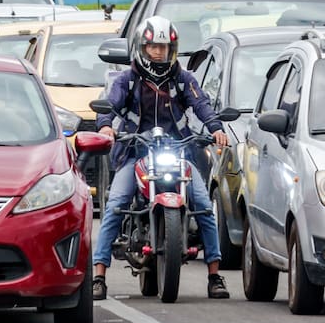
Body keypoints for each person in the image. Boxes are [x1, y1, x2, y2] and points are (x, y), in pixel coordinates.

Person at [92, 15, 231, 301]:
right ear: (142, 48)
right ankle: (98, 275)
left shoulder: (183, 79)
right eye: (153, 47)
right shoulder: (127, 80)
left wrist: (216, 128)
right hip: (135, 153)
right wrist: (106, 125)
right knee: (116, 205)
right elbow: (109, 105)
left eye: (163, 48)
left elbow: (201, 103)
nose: (158, 52)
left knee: (204, 207)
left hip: (178, 153)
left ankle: (215, 275)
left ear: (172, 50)